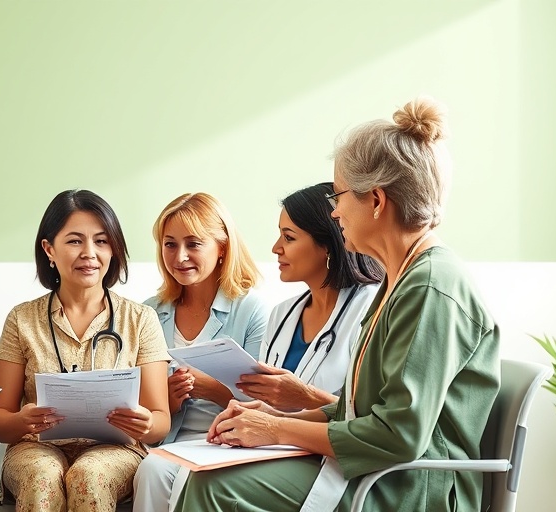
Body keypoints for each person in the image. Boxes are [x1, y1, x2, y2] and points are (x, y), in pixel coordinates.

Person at [176, 97, 501, 512]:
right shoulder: (400, 280)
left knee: (216, 488)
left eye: (340, 196)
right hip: (381, 469)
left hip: (411, 484)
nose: (335, 211)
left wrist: (276, 427)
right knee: (208, 477)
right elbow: (355, 409)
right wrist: (272, 419)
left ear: (377, 201)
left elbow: (397, 436)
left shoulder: (430, 287)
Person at [0, 189, 171, 512]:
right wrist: (23, 421)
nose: (89, 253)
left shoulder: (141, 319)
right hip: (35, 450)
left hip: (115, 449)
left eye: (101, 241)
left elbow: (159, 422)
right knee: (43, 475)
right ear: (49, 249)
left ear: (113, 249)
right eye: (75, 241)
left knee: (89, 475)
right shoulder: (22, 319)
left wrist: (144, 424)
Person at [132, 192, 269, 512]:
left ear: (222, 248)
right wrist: (165, 399)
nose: (180, 257)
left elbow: (265, 406)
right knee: (152, 469)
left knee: (167, 474)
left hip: (231, 445)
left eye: (193, 244)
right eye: (170, 244)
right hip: (167, 444)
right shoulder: (148, 314)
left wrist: (213, 390)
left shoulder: (251, 311)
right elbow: (135, 407)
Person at [239, 182, 384, 412]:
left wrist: (306, 397)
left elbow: (376, 419)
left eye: (289, 238)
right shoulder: (281, 314)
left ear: (327, 244)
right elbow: (270, 407)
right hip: (277, 445)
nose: (276, 248)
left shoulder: (372, 308)